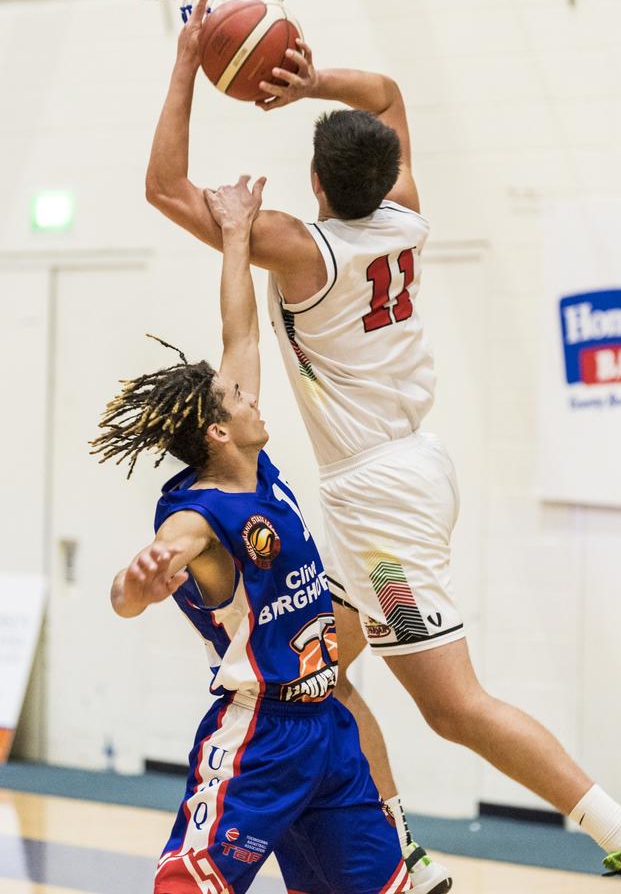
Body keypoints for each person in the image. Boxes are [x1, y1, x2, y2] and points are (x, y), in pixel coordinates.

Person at [144, 0, 621, 894]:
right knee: (308, 675)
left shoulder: (307, 251)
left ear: (320, 186)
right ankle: (400, 849)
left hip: (381, 497)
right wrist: (310, 83)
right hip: (386, 477)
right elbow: (388, 96)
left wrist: (188, 61)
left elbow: (164, 189)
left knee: (453, 707)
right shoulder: (405, 210)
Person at [93, 175, 411, 894]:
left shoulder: (254, 465)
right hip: (260, 737)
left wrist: (237, 235)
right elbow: (133, 582)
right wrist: (134, 588)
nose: (251, 394)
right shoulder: (199, 516)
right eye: (239, 397)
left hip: (327, 728)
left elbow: (240, 331)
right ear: (217, 430)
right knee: (187, 886)